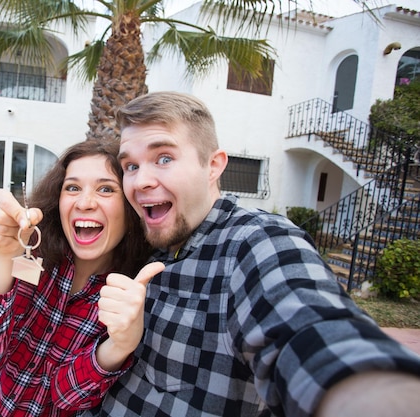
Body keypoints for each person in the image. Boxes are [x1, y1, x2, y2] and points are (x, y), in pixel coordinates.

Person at [89, 91, 420, 417]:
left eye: (164, 158)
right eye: (130, 166)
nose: (141, 181)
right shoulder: (147, 244)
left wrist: (373, 394)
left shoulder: (256, 242)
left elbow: (313, 334)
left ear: (213, 166)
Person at [0, 139, 162, 417]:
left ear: (130, 207)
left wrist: (119, 346)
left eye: (106, 189)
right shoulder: (27, 251)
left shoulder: (129, 293)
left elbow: (65, 395)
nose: (85, 203)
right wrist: (1, 257)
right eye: (72, 187)